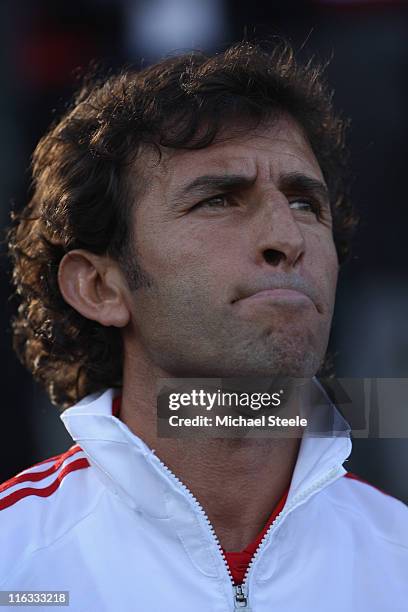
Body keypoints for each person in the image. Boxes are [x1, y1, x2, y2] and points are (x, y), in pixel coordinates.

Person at [1, 41, 407, 611]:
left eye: (304, 204)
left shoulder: (399, 561)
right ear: (99, 287)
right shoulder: (13, 563)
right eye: (219, 200)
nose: (287, 240)